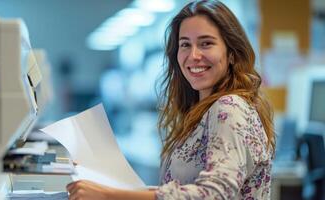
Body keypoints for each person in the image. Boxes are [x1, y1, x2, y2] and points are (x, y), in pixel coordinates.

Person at [66, 0, 276, 199]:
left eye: (206, 43)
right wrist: (112, 188)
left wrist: (107, 196)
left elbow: (214, 195)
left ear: (231, 53)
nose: (193, 55)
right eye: (185, 45)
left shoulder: (229, 107)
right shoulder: (204, 111)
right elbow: (186, 189)